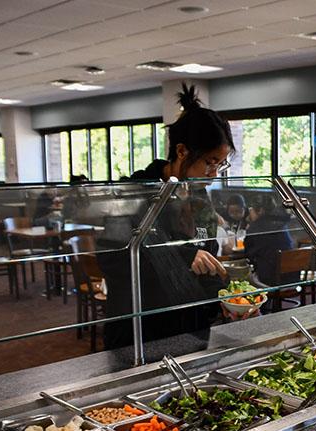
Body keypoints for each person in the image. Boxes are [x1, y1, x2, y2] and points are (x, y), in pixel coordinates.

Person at [97, 84, 244, 350]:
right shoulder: (132, 193)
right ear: (181, 152)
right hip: (140, 332)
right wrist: (184, 256)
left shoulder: (199, 196)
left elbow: (205, 254)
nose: (214, 173)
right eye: (210, 162)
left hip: (190, 328)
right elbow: (114, 261)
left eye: (220, 164)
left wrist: (224, 301)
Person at [244, 194, 294, 287]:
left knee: (243, 277)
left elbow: (248, 254)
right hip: (292, 276)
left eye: (251, 209)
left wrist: (250, 227)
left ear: (260, 210)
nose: (250, 212)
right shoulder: (282, 222)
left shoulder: (256, 228)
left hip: (269, 278)